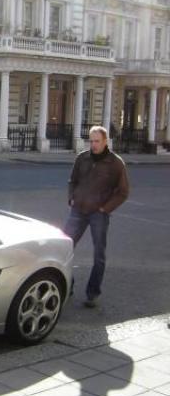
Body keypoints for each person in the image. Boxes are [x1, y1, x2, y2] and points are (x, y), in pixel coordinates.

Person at [64, 125, 130, 308]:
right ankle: (67, 285)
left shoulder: (116, 163)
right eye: (91, 141)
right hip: (77, 210)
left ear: (105, 141)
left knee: (99, 254)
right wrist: (71, 197)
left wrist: (105, 209)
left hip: (98, 214)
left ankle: (92, 293)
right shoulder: (82, 158)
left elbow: (123, 192)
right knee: (64, 248)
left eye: (97, 141)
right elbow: (72, 181)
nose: (93, 145)